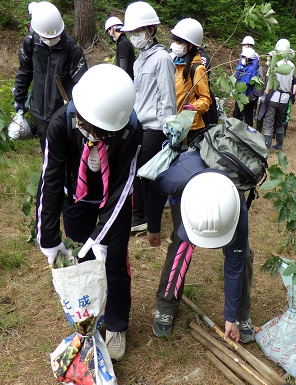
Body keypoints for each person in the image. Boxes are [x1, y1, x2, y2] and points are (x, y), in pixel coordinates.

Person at [35, 64, 142, 361]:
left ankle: (117, 323)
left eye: (99, 130)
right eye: (86, 124)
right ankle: (89, 319)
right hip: (76, 195)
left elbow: (123, 187)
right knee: (80, 260)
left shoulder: (131, 130)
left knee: (115, 260)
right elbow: (51, 179)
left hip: (113, 200)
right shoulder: (62, 123)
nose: (90, 132)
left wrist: (102, 236)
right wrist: (48, 236)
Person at [147, 150, 255, 343]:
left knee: (242, 256)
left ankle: (240, 314)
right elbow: (155, 191)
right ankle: (166, 305)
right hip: (187, 191)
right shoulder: (173, 180)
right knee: (180, 247)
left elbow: (235, 267)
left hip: (225, 201)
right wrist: (153, 228)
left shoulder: (236, 207)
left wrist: (229, 317)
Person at [121, 2, 176, 232]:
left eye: (138, 32)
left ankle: (145, 219)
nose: (134, 36)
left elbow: (167, 96)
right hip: (139, 123)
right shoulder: (140, 59)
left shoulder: (162, 58)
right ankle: (140, 216)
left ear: (151, 31)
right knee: (134, 170)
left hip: (156, 126)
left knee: (145, 174)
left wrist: (170, 130)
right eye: (131, 32)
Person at [13, 1, 87, 152]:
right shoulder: (31, 42)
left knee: (66, 150)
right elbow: (25, 71)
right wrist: (19, 99)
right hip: (39, 109)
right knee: (47, 150)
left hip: (63, 111)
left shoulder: (71, 48)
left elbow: (82, 83)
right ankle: (49, 173)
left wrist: (79, 111)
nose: (51, 40)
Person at [170, 18, 212, 141]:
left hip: (190, 128)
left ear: (190, 45)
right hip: (174, 124)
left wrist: (194, 107)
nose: (175, 45)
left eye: (179, 42)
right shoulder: (174, 64)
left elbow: (206, 99)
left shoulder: (197, 69)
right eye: (175, 41)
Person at [262, 39, 296, 149]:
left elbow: (270, 82)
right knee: (280, 121)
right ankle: (279, 144)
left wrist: (264, 96)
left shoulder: (275, 64)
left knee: (269, 122)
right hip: (285, 99)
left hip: (274, 97)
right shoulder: (292, 66)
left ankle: (266, 146)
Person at [232, 47, 260, 127]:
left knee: (246, 117)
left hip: (246, 97)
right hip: (241, 95)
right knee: (237, 114)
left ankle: (247, 132)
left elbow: (245, 83)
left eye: (244, 57)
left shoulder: (251, 70)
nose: (242, 59)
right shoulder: (242, 67)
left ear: (249, 59)